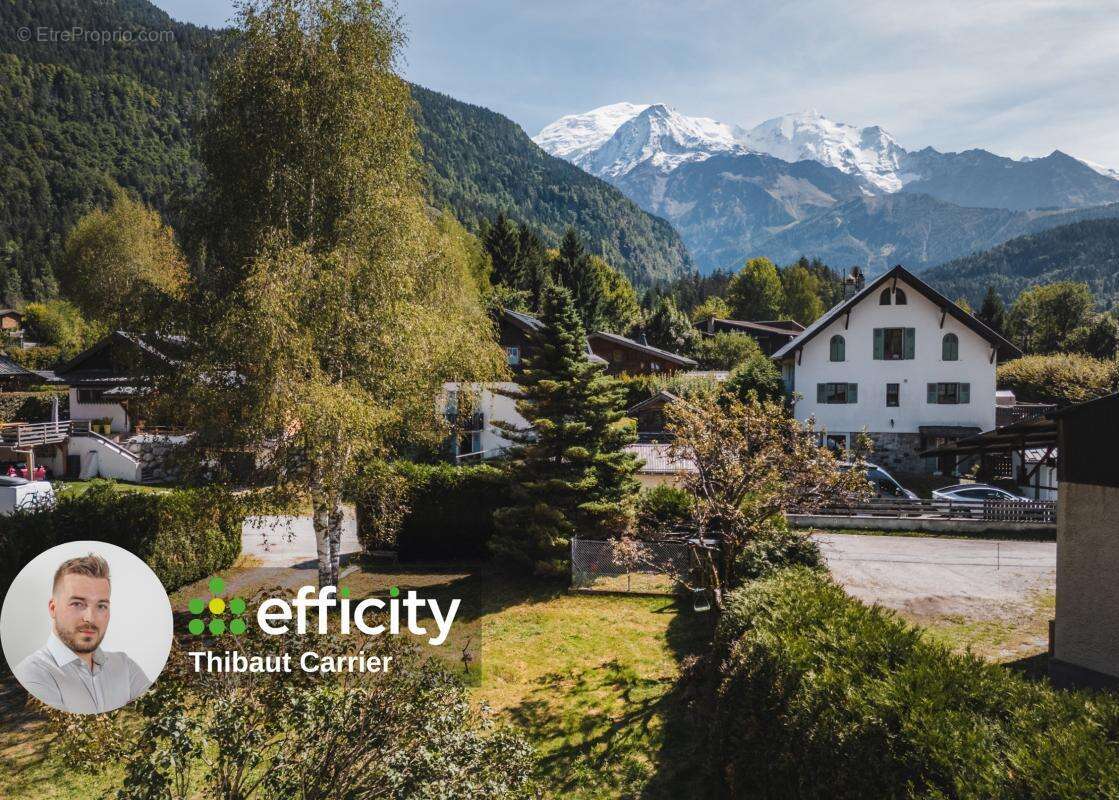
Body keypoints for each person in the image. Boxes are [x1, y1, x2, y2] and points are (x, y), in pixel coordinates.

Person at [13, 554, 152, 714]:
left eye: (101, 606)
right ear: (53, 608)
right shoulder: (31, 674)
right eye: (77, 604)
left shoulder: (124, 666)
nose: (90, 618)